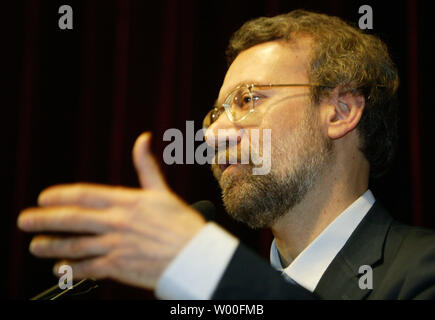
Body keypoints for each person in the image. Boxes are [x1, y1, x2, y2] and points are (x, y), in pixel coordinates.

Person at [17, 10, 435, 299]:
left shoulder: (422, 271)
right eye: (215, 113)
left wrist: (202, 262)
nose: (213, 134)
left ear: (340, 111)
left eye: (248, 99)